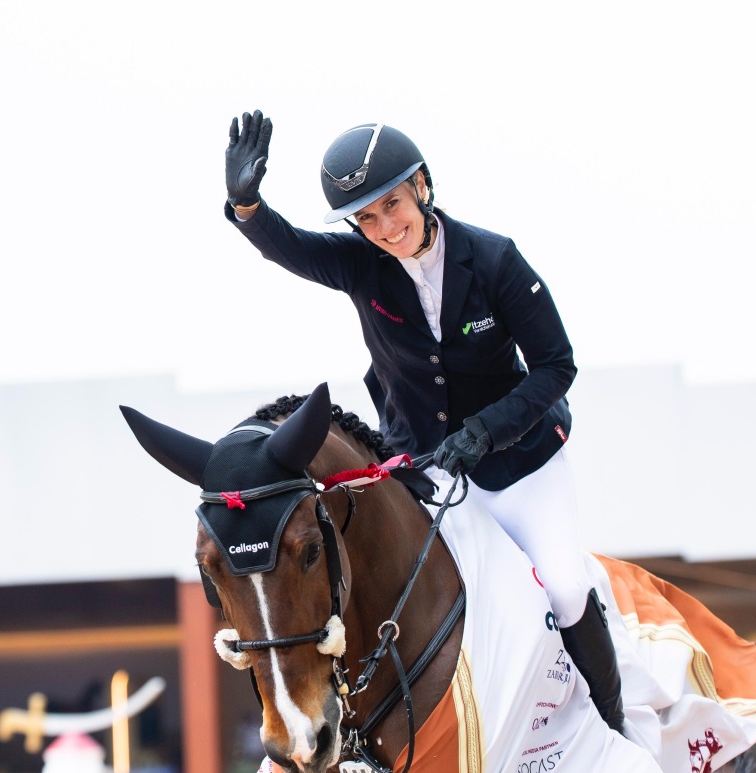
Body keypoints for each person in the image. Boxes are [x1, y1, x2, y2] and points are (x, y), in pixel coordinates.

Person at [224, 110, 625, 732]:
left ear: (423, 187)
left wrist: (486, 430)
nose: (385, 228)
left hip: (520, 463)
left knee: (566, 589)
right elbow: (294, 250)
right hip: (428, 469)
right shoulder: (363, 265)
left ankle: (614, 724)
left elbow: (556, 366)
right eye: (366, 218)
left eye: (392, 205)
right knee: (430, 603)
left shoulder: (494, 260)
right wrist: (247, 207)